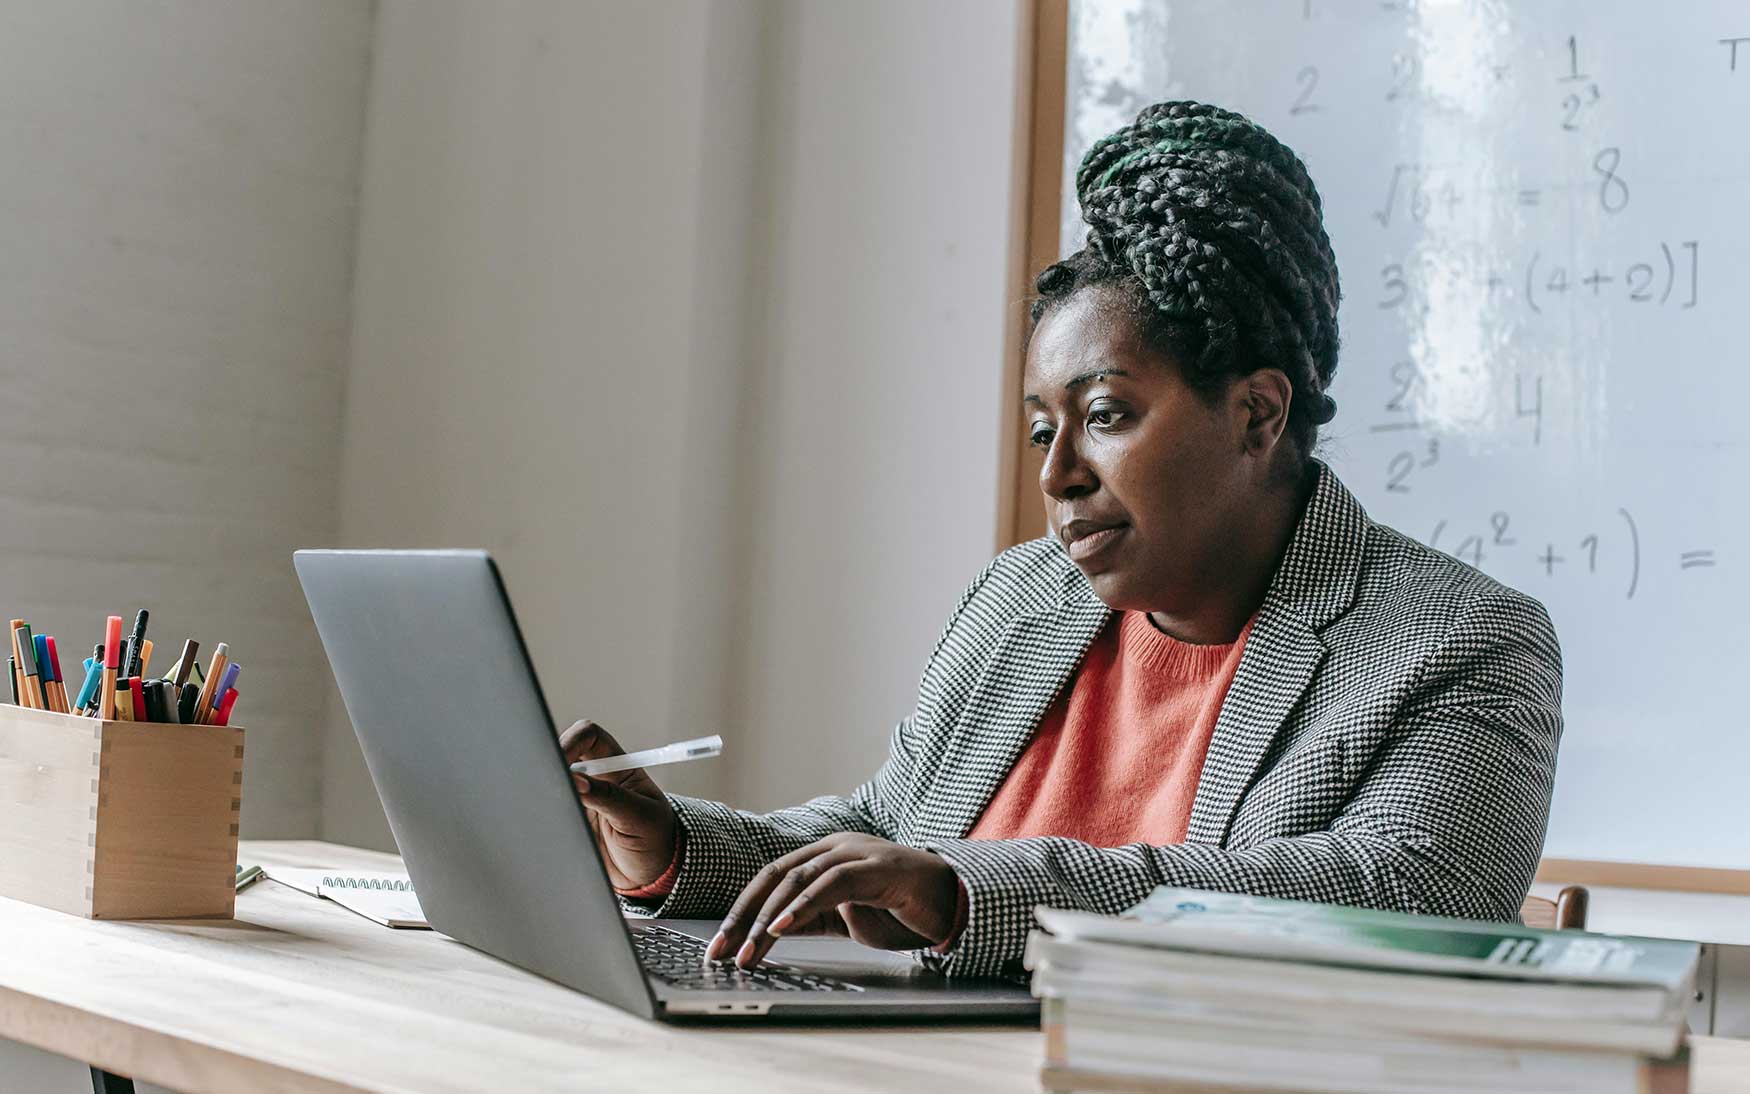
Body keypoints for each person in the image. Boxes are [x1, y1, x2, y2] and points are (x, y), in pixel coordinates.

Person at [563, 101, 1563, 980]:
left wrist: (967, 889)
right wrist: (675, 844)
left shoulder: (1460, 640)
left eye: (1109, 415)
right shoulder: (1021, 596)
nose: (1057, 473)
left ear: (1258, 413)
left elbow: (1391, 900)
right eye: (1044, 427)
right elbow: (882, 832)